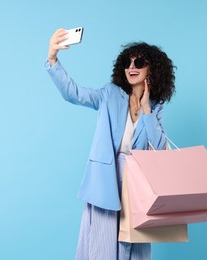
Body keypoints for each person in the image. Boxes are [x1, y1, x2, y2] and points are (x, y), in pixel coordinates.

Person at [45, 28, 176, 260]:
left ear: (152, 69)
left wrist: (146, 109)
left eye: (139, 62)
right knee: (101, 244)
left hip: (138, 184)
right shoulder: (109, 94)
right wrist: (53, 59)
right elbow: (73, 94)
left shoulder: (155, 108)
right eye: (127, 61)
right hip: (106, 179)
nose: (132, 66)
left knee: (134, 245)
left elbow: (158, 147)